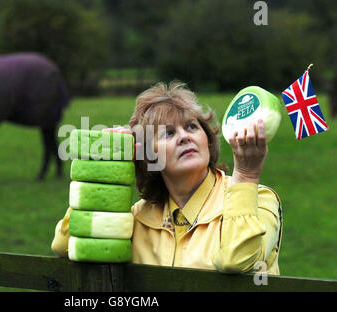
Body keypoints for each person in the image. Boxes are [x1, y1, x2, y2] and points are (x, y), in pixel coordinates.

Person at [51, 81, 282, 275]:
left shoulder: (258, 198)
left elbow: (235, 260)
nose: (184, 137)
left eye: (192, 127)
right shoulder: (137, 217)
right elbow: (64, 245)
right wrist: (105, 168)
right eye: (168, 133)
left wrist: (246, 175)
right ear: (147, 154)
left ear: (207, 139)